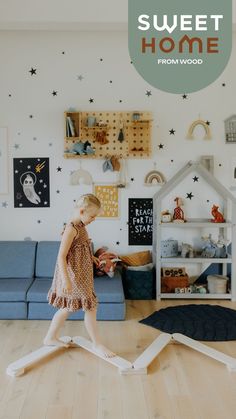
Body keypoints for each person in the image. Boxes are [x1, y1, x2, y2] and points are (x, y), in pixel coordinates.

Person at [44, 193, 115, 358]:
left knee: (68, 308)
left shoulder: (81, 226)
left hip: (82, 275)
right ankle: (97, 344)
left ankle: (50, 337)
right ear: (82, 211)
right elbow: (61, 256)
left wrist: (93, 257)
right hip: (73, 276)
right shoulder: (70, 229)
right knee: (90, 307)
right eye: (92, 216)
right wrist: (67, 281)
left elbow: (81, 247)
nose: (94, 219)